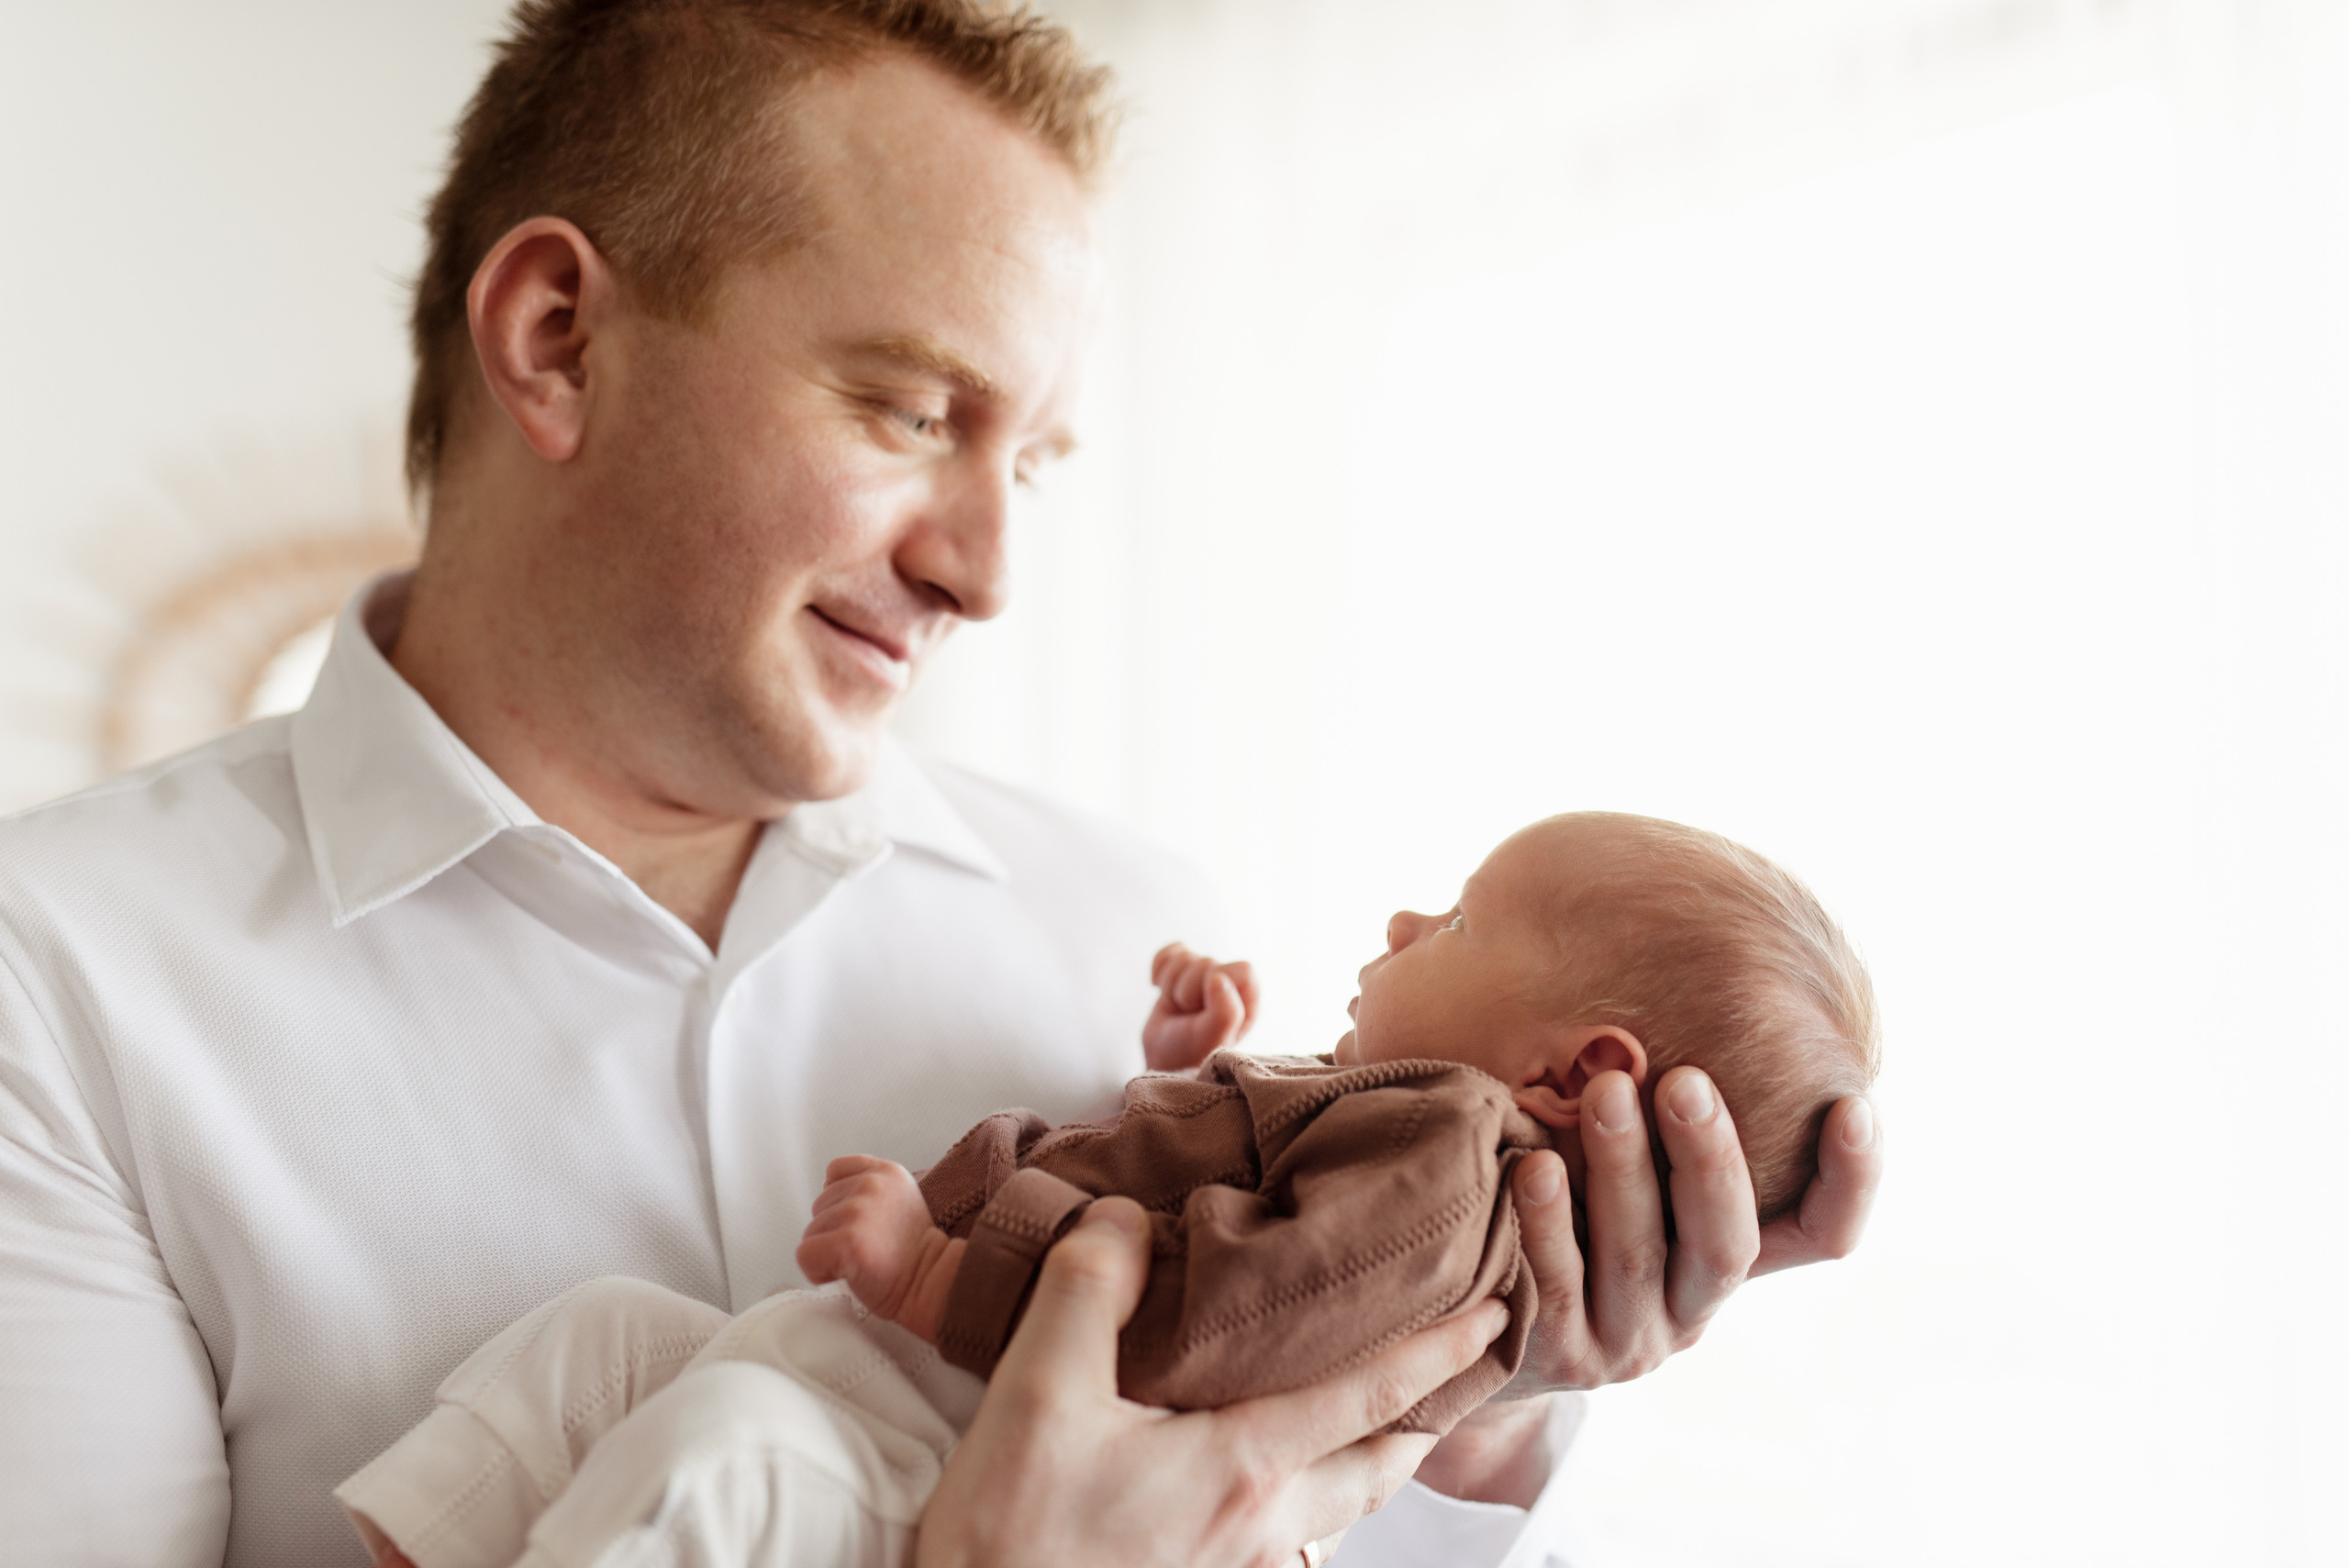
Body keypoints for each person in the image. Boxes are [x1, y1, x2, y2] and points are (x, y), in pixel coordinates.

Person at [0, 5, 1883, 1566]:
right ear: (558, 342)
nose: (985, 573)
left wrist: (1481, 1416)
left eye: (1031, 463)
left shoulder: (1128, 923)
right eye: (912, 412)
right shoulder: (58, 988)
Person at [330, 811, 1879, 1568]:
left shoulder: (1446, 1179)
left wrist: (936, 1276)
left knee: (716, 1460)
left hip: (941, 1449)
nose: (1409, 914)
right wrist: (1179, 1062)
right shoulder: (1393, 1130)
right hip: (875, 1394)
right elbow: (1191, 1177)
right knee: (604, 1338)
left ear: (1566, 1076)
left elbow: (1213, 1315)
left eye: (1463, 919)